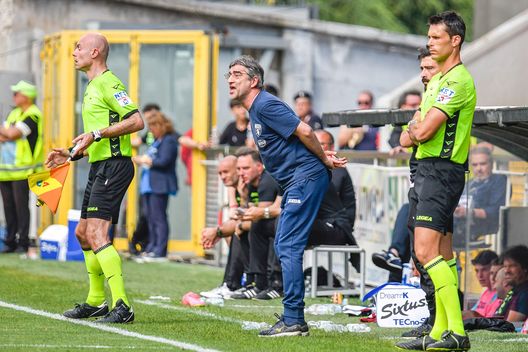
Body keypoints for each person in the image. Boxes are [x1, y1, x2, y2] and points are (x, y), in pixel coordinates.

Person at [226, 55, 346, 337]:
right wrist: (319, 156)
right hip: (299, 178)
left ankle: (294, 319)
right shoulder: (255, 109)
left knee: (288, 244)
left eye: (237, 74)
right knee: (284, 244)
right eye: (229, 75)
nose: (230, 79)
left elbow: (305, 130)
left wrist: (322, 160)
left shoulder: (265, 104)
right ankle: (293, 317)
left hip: (305, 177)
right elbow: (295, 140)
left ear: (254, 81)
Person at [45, 33, 144, 323]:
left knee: (98, 233)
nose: (74, 52)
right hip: (100, 166)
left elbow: (137, 121)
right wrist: (70, 153)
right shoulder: (91, 87)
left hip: (115, 167)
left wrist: (96, 133)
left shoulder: (109, 82)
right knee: (82, 233)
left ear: (96, 52)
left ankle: (123, 306)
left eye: (79, 47)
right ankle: (96, 302)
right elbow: (95, 141)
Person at [396, 11, 476, 351]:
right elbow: (405, 138)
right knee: (440, 252)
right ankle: (438, 332)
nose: (430, 42)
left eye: (436, 37)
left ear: (454, 41)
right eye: (429, 37)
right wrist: (416, 129)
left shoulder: (458, 81)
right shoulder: (438, 81)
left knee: (424, 250)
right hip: (429, 171)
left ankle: (457, 332)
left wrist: (417, 128)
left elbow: (422, 130)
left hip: (442, 172)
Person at [0, 80, 43, 256]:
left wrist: (7, 133)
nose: (14, 96)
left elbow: (11, 133)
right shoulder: (14, 113)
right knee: (8, 208)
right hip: (5, 170)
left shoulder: (33, 115)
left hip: (23, 171)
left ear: (26, 96)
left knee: (21, 207)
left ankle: (23, 243)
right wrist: (7, 133)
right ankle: (10, 242)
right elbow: (5, 136)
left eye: (17, 93)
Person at [200, 155, 249, 297]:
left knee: (237, 230)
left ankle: (232, 284)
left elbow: (246, 218)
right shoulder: (232, 188)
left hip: (264, 229)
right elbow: (234, 215)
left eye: (226, 172)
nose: (222, 176)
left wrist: (217, 232)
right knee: (232, 231)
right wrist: (220, 232)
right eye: (220, 173)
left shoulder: (250, 184)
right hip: (251, 227)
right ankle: (239, 278)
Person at [133, 112, 179, 262]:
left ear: (161, 125)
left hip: (160, 185)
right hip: (148, 185)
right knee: (150, 218)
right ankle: (152, 247)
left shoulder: (169, 140)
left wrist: (147, 161)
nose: (151, 130)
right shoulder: (156, 140)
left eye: (153, 126)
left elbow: (164, 161)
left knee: (159, 218)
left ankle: (160, 250)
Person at [453, 146, 507, 247]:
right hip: (459, 226)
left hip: (482, 228)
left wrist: (469, 212)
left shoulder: (499, 181)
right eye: (475, 165)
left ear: (491, 164)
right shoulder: (469, 184)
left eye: (483, 164)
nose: (478, 169)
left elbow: (496, 211)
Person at [494, 245, 528, 322]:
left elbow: (509, 326)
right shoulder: (515, 291)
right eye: (505, 266)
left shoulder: (525, 294)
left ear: (525, 268)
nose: (506, 271)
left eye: (512, 266)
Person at [463, 250, 499, 318]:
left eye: (484, 270)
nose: (480, 275)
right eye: (477, 271)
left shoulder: (500, 295)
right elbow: (471, 314)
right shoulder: (485, 293)